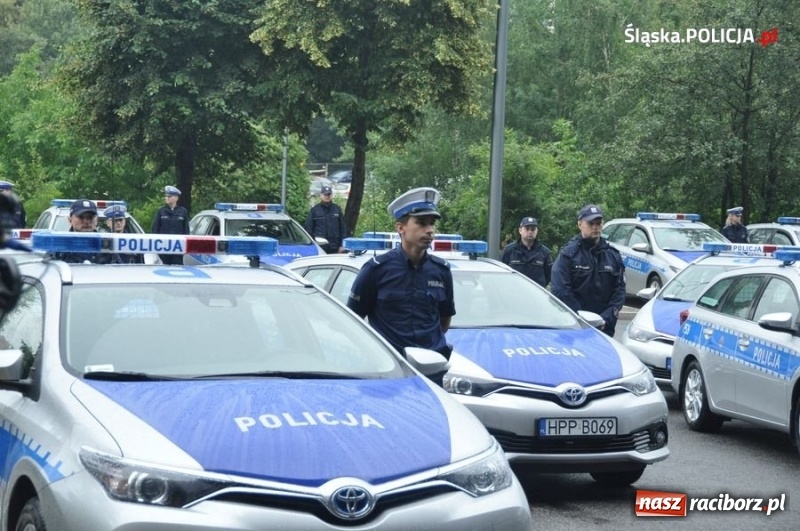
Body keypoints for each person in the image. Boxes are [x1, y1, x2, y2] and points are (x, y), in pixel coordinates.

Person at [347, 187, 455, 363]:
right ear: (400, 227)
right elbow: (353, 320)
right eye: (421, 223)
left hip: (433, 366)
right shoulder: (376, 270)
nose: (429, 230)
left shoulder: (441, 271)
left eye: (432, 223)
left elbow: (444, 322)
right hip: (390, 368)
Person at [551, 204, 626, 337]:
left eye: (598, 223)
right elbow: (560, 290)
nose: (595, 227)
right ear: (580, 224)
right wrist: (581, 317)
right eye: (591, 223)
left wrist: (606, 318)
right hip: (575, 326)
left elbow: (619, 291)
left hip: (604, 327)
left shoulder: (612, 255)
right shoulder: (568, 254)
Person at [47, 199, 112, 264]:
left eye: (90, 217)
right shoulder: (59, 246)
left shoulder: (108, 246)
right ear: (70, 220)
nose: (86, 221)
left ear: (97, 220)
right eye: (81, 217)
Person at [501, 216, 553, 287]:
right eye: (527, 229)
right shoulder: (509, 250)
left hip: (535, 291)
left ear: (537, 231)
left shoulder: (544, 252)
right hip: (514, 290)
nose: (530, 232)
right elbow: (501, 271)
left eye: (533, 229)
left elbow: (549, 274)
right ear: (520, 230)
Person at [151, 185, 189, 265]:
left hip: (177, 247)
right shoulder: (161, 211)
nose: (167, 198)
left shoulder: (183, 212)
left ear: (176, 198)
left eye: (169, 196)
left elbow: (186, 230)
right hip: (163, 246)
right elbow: (155, 229)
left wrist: (185, 246)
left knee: (177, 268)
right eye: (166, 196)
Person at [304, 185, 347, 253]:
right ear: (321, 195)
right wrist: (313, 245)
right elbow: (308, 229)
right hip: (320, 247)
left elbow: (343, 229)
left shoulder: (337, 209)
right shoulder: (314, 210)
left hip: (335, 247)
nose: (327, 196)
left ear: (331, 195)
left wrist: (342, 245)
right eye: (325, 195)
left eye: (329, 195)